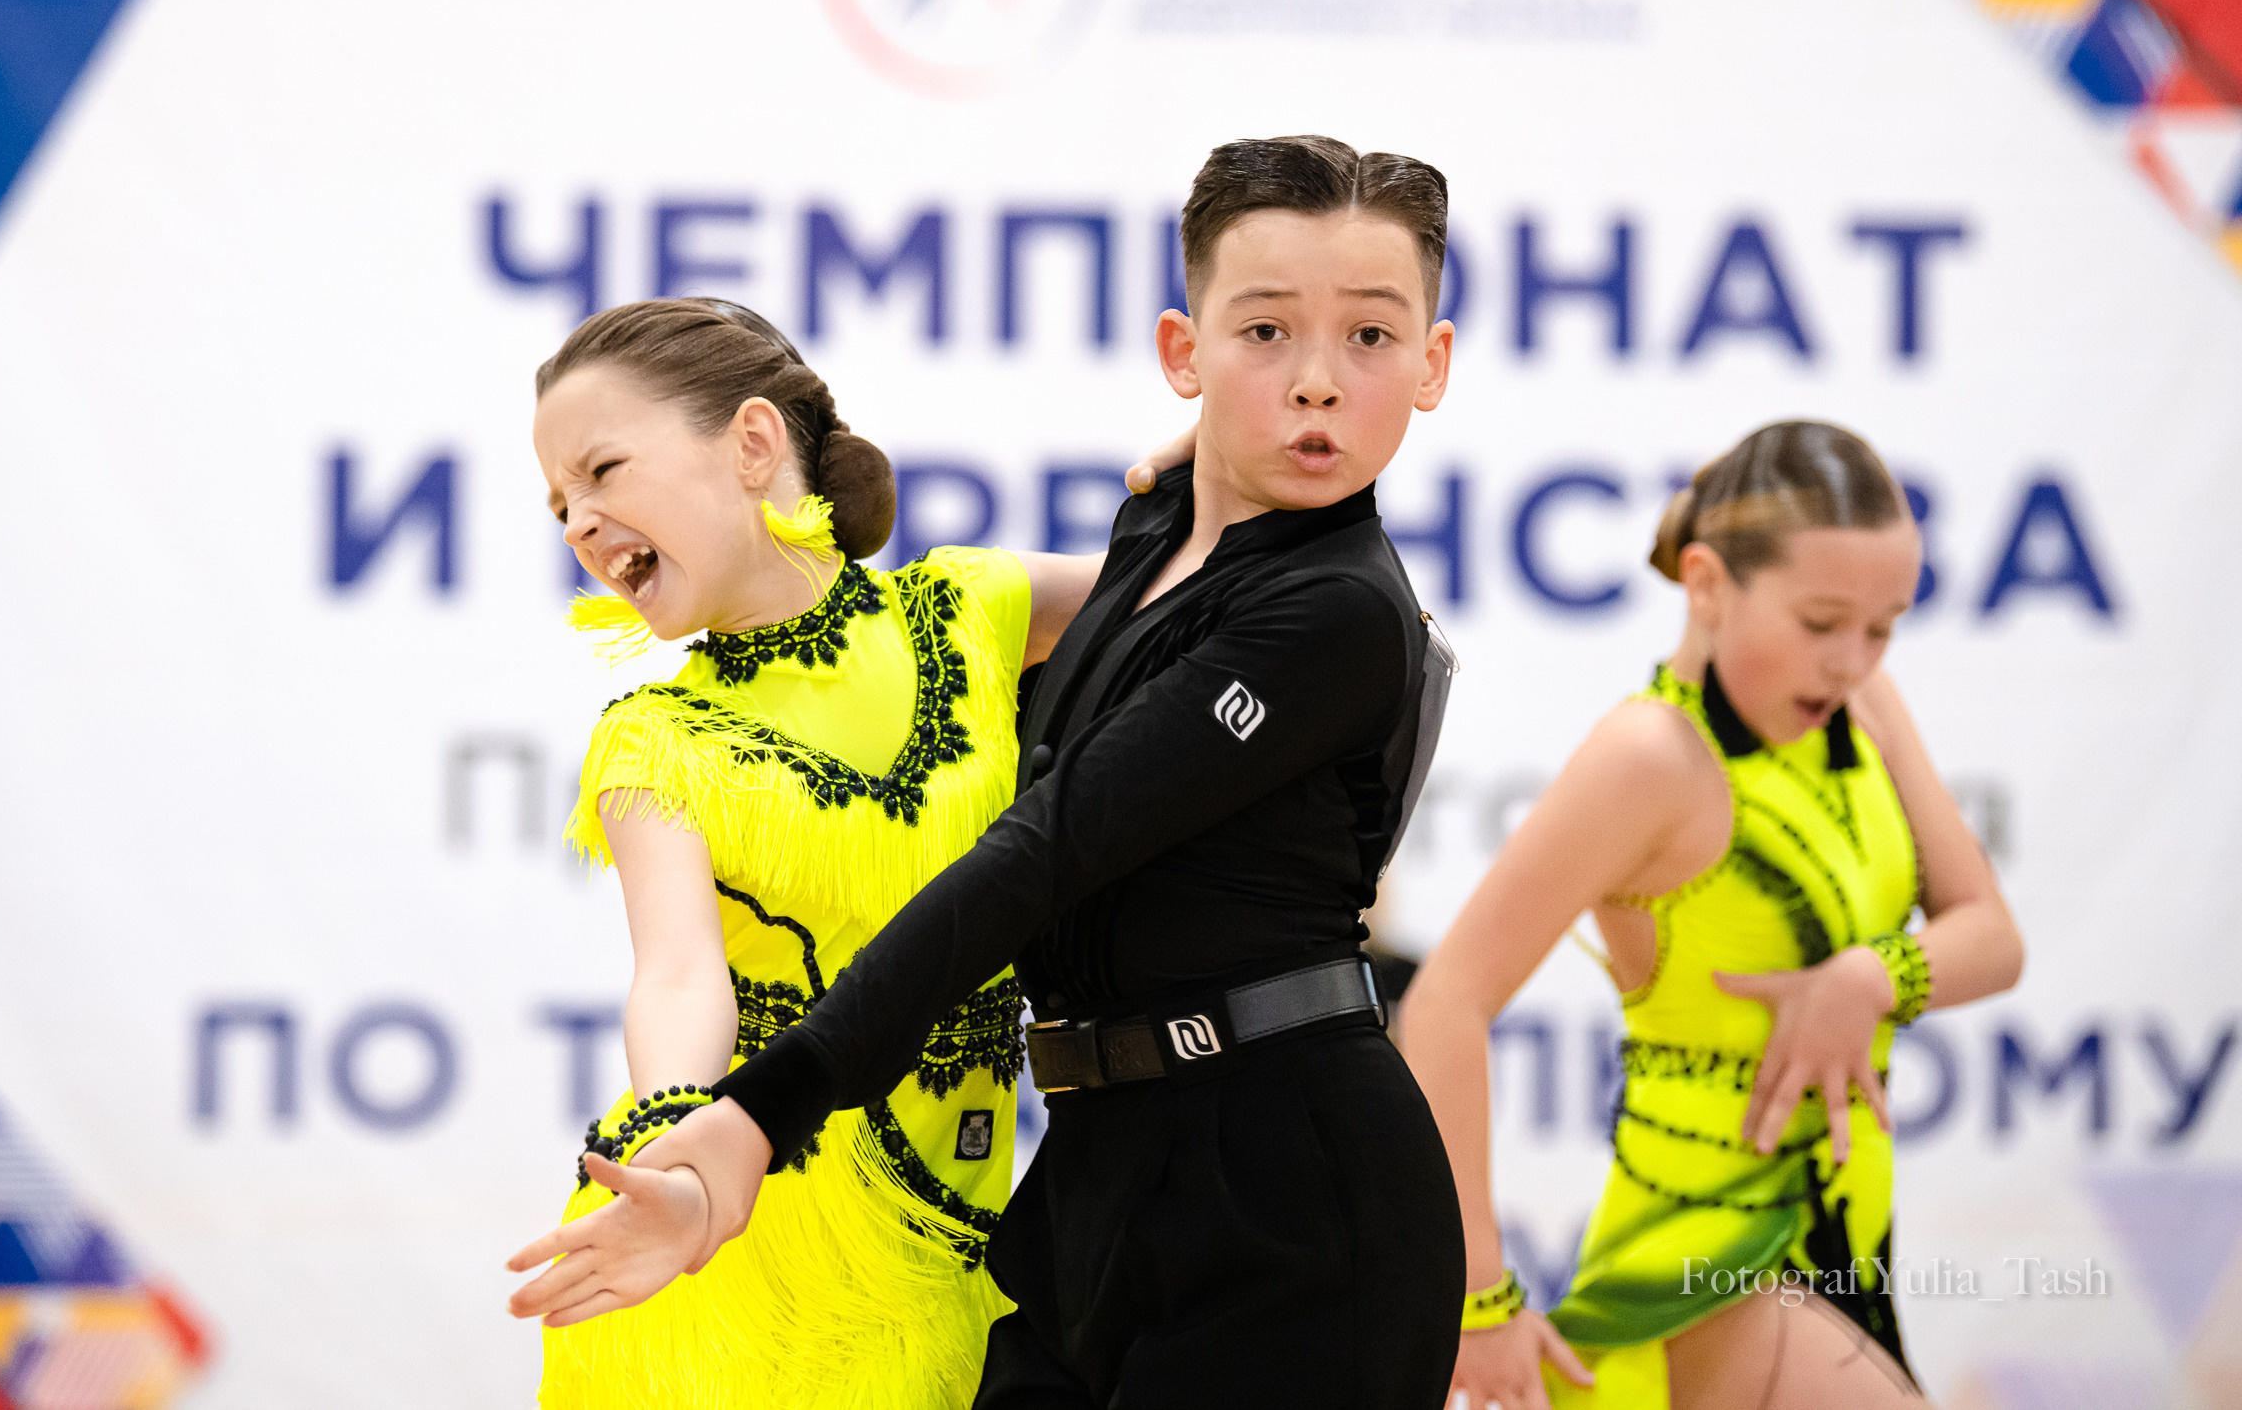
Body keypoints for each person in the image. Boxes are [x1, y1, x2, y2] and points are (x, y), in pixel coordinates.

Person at [507, 135, 1471, 1407]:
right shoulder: (661, 736)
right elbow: (678, 973)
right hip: (1060, 1183)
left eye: (1367, 339)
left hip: (1254, 1185)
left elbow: (1051, 844)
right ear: (1185, 354)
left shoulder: (1028, 609)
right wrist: (682, 1131)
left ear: (1429, 363)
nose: (1314, 384)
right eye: (1263, 335)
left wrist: (747, 1118)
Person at [504, 296, 1135, 1410]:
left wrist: (1207, 459)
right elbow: (679, 972)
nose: (579, 523)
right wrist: (679, 1156)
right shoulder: (656, 740)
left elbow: (1193, 602)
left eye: (602, 468)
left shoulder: (968, 612)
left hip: (953, 1244)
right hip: (739, 1254)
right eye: (560, 504)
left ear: (751, 443)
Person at [1398, 420, 2027, 1409]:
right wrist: (1479, 1300)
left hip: (1840, 1245)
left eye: (1882, 626)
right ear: (1704, 584)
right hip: (1707, 1259)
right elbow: (1442, 1006)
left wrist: (1869, 978)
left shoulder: (1862, 707)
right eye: (1820, 623)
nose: (1850, 659)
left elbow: (1989, 934)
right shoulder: (1650, 757)